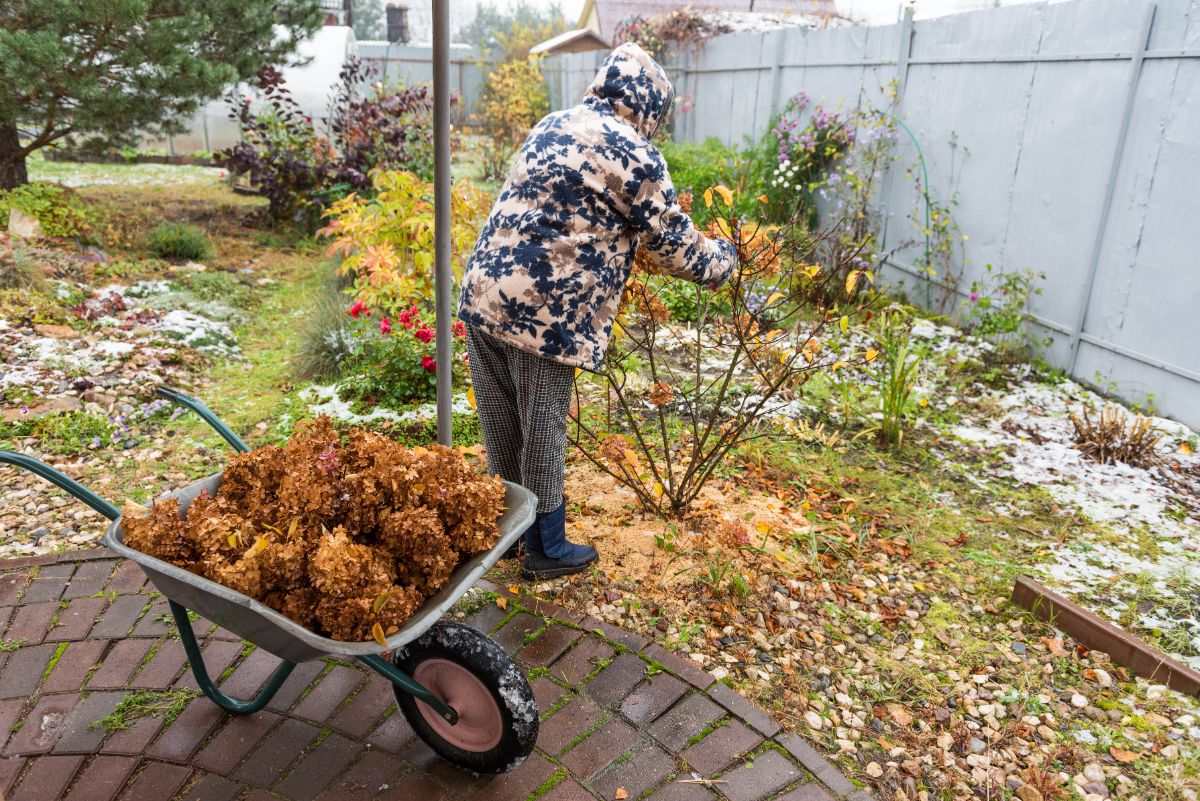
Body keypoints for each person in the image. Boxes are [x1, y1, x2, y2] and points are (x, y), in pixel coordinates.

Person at [457, 42, 737, 580]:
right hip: (544, 312)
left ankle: (507, 534)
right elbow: (675, 246)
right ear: (651, 106)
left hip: (483, 292)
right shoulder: (634, 154)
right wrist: (726, 259)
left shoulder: (554, 122)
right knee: (541, 428)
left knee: (501, 423)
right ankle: (545, 547)